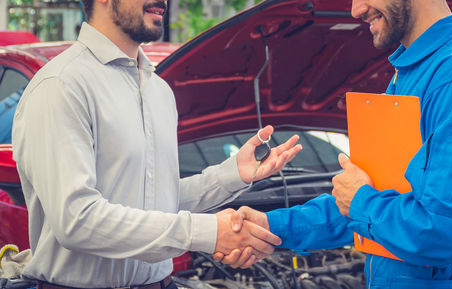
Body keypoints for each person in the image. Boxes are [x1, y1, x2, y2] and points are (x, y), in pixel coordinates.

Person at [214, 0, 452, 287]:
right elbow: (369, 202)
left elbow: (448, 231)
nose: (356, 10)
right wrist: (270, 226)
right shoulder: (412, 74)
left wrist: (360, 200)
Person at [10, 0, 303, 287]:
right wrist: (209, 232)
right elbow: (76, 221)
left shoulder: (159, 91)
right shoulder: (62, 85)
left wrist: (232, 175)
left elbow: (156, 205)